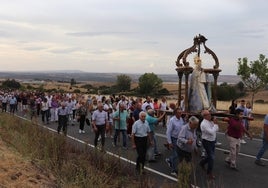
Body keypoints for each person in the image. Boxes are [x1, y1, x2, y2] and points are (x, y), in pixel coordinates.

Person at [199, 110, 219, 180]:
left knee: (210, 157)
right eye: (208, 114)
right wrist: (215, 125)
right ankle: (209, 173)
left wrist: (215, 124)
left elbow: (217, 130)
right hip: (206, 142)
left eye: (210, 114)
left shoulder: (211, 121)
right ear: (204, 116)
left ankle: (202, 163)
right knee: (212, 158)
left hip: (212, 141)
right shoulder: (203, 124)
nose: (210, 115)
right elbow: (211, 132)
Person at [165, 108, 185, 176]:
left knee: (178, 154)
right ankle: (173, 170)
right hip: (174, 139)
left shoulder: (181, 119)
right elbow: (168, 132)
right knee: (176, 154)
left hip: (180, 139)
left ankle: (170, 160)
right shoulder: (172, 120)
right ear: (175, 113)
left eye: (181, 112)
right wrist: (169, 142)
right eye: (179, 113)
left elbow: (182, 127)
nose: (181, 114)